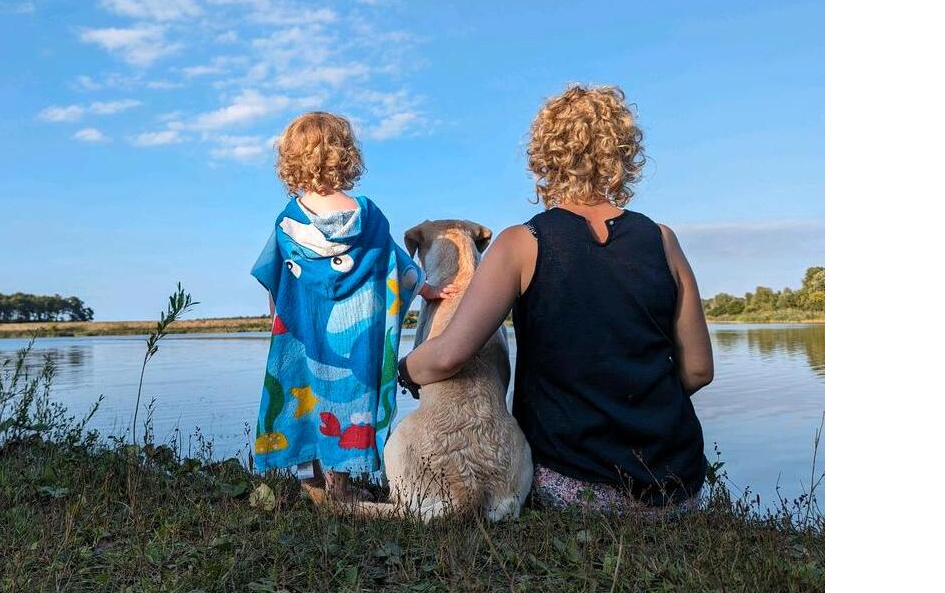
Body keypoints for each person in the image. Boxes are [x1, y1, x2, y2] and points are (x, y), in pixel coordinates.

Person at [398, 85, 713, 512]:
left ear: (542, 157)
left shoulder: (521, 243)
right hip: (677, 488)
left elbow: (450, 356)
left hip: (574, 487)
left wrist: (405, 369)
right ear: (623, 154)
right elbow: (698, 370)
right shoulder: (663, 240)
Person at [250, 112, 456, 502]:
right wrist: (427, 290)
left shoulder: (287, 222)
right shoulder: (368, 217)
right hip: (354, 339)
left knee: (301, 398)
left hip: (303, 332)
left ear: (291, 160)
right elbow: (398, 269)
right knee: (349, 404)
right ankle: (340, 486)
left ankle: (312, 486)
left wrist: (278, 318)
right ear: (346, 155)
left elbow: (275, 279)